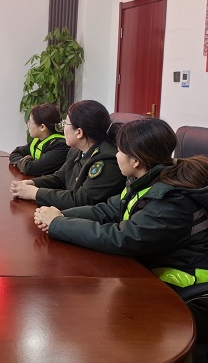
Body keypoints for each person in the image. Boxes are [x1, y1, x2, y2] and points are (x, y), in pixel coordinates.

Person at [32, 118, 208, 336]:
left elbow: (124, 238)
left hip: (185, 291)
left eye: (120, 151)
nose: (116, 155)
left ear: (136, 161)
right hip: (148, 269)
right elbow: (107, 210)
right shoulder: (144, 180)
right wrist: (60, 215)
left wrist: (59, 224)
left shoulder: (171, 200)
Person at [10, 100, 126, 209]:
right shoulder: (75, 151)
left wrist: (35, 193)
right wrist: (32, 183)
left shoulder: (107, 161)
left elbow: (80, 200)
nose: (62, 128)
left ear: (79, 132)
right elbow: (60, 178)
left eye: (65, 123)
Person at [9, 103, 69, 176]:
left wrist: (25, 162)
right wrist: (25, 162)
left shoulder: (61, 146)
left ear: (42, 127)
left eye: (30, 122)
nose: (28, 125)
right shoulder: (39, 140)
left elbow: (30, 169)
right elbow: (15, 153)